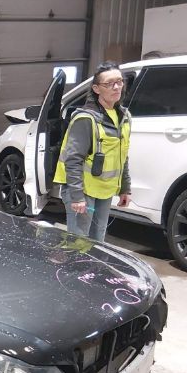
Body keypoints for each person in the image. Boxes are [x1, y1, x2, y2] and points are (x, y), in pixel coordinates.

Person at [53, 62, 132, 241]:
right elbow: (73, 159)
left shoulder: (124, 117)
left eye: (119, 81)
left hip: (105, 190)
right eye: (109, 83)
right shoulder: (86, 119)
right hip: (83, 191)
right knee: (79, 243)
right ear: (96, 89)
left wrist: (125, 188)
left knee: (97, 241)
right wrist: (77, 196)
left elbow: (123, 155)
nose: (116, 87)